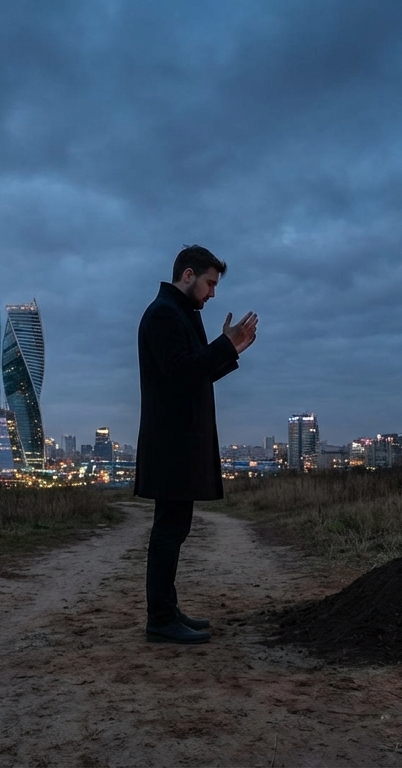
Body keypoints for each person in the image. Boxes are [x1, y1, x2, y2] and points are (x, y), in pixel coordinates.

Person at [135, 244, 258, 644]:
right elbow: (181, 373)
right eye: (209, 283)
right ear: (187, 275)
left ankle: (167, 610)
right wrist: (224, 346)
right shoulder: (163, 315)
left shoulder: (178, 313)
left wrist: (229, 350)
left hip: (177, 443)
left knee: (175, 530)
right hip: (171, 444)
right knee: (168, 532)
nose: (212, 293)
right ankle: (160, 618)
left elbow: (194, 374)